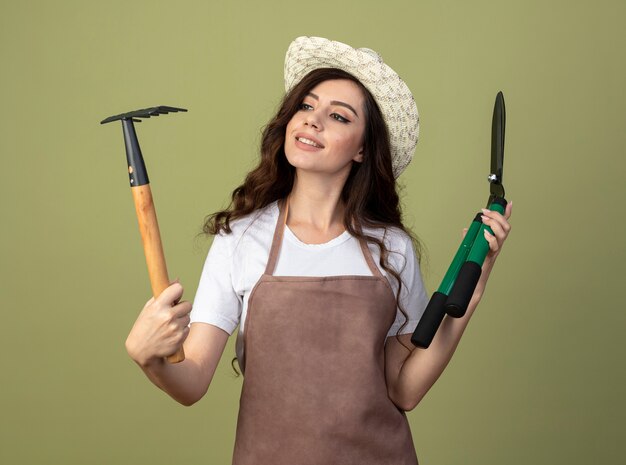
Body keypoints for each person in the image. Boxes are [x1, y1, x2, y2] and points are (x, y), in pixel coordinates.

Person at [125, 36, 512, 464]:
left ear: (363, 148)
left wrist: (474, 284)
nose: (312, 121)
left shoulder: (390, 248)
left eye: (338, 116)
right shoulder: (242, 238)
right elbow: (192, 381)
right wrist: (151, 361)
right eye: (306, 107)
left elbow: (405, 389)